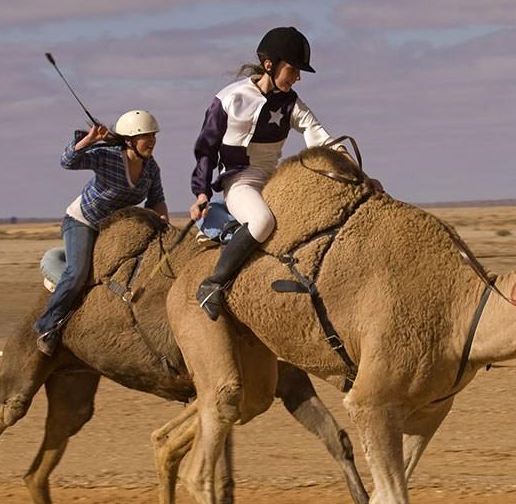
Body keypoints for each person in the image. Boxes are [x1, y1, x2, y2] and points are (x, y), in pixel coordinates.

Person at [189, 26, 342, 320]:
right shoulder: (229, 99)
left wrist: (346, 160)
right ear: (269, 65)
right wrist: (202, 192)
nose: (297, 78)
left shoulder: (290, 103)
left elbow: (317, 133)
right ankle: (213, 283)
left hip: (274, 180)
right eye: (293, 70)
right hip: (240, 181)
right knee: (261, 222)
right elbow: (206, 148)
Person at [34, 110, 167, 355]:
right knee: (77, 273)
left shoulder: (151, 168)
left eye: (153, 136)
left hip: (116, 229)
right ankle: (47, 326)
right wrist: (89, 141)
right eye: (145, 137)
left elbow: (156, 201)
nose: (151, 141)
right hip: (83, 222)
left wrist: (163, 226)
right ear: (129, 140)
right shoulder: (108, 157)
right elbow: (67, 161)